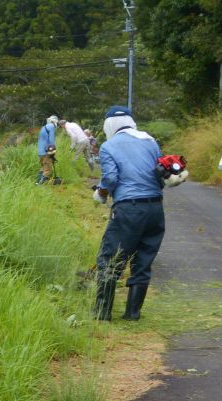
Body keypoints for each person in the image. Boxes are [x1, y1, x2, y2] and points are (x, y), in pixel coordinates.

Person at [93, 106, 164, 321]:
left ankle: (102, 314)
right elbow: (161, 176)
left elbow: (111, 179)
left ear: (109, 126)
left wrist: (101, 194)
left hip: (128, 209)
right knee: (143, 259)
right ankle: (133, 313)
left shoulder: (109, 146)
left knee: (111, 258)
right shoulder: (150, 141)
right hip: (155, 209)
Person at [37, 115, 59, 184]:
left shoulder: (43, 127)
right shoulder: (51, 127)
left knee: (43, 167)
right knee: (48, 169)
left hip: (40, 151)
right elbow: (51, 141)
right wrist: (53, 152)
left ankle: (37, 182)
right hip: (46, 151)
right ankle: (40, 184)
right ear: (55, 121)